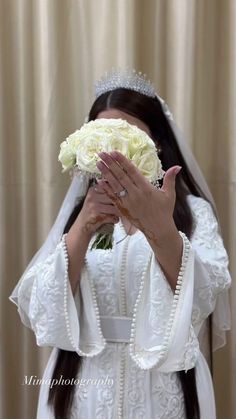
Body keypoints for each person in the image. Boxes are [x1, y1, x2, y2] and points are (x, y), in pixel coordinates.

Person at [9, 69, 231, 419]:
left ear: (155, 142)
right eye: (101, 137)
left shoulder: (191, 213)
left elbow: (204, 298)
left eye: (127, 135)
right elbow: (41, 309)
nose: (113, 152)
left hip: (166, 386)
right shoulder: (79, 216)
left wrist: (161, 230)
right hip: (83, 386)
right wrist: (84, 226)